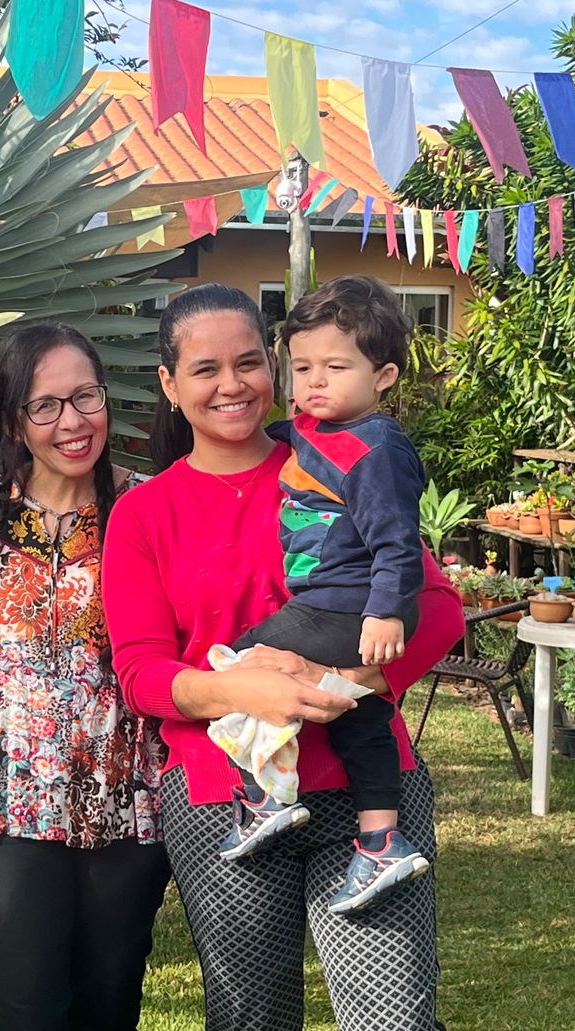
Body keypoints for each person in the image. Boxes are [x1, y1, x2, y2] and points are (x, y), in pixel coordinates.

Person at [101, 284, 489, 1031]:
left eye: (250, 362)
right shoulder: (145, 514)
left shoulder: (338, 457)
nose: (233, 384)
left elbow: (435, 610)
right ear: (170, 384)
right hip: (224, 803)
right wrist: (240, 688)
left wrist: (339, 681)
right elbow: (142, 673)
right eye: (205, 368)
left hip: (365, 796)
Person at [0, 323, 170, 1031]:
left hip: (128, 801)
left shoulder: (144, 507)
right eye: (44, 405)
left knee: (107, 1009)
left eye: (85, 396)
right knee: (26, 1018)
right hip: (10, 806)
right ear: (14, 419)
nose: (71, 421)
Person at [212, 274, 431, 916]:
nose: (314, 382)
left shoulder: (376, 449)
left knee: (244, 660)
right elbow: (291, 434)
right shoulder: (316, 426)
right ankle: (380, 841)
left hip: (347, 606)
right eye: (302, 367)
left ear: (384, 376)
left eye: (335, 368)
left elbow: (397, 540)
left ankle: (266, 797)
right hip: (343, 606)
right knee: (361, 717)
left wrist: (385, 612)